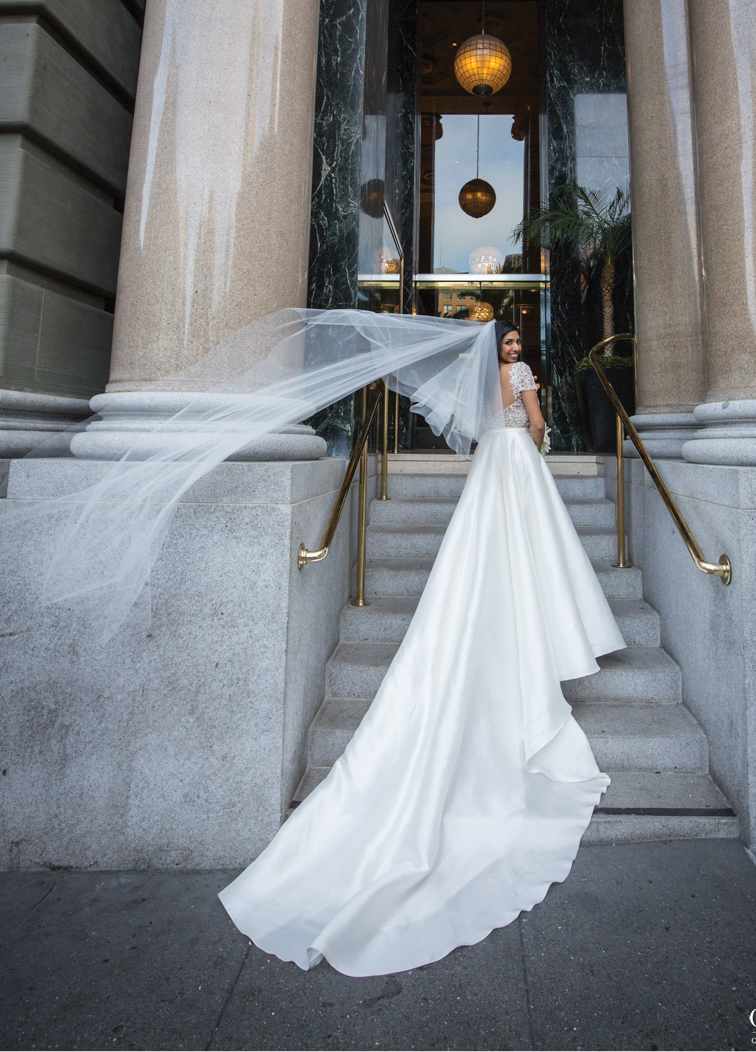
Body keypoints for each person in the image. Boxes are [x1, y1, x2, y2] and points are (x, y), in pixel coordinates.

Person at [219, 318, 626, 977]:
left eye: (515, 345)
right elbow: (537, 424)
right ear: (508, 351)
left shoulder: (482, 379)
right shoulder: (523, 377)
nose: (514, 352)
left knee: (483, 547)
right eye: (511, 345)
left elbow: (476, 427)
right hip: (517, 463)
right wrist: (534, 434)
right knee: (533, 549)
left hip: (488, 466)